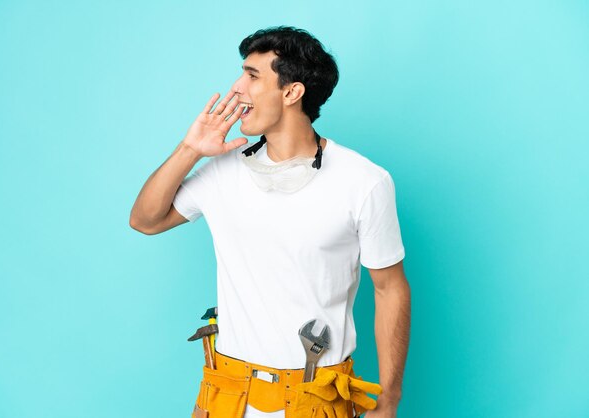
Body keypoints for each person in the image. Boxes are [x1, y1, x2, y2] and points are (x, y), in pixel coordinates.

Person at [129, 26, 411, 418]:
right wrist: (190, 150)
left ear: (292, 92)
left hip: (315, 397)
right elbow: (145, 220)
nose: (236, 87)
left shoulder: (364, 181)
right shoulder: (223, 171)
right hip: (226, 394)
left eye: (252, 75)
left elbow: (390, 290)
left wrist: (389, 400)